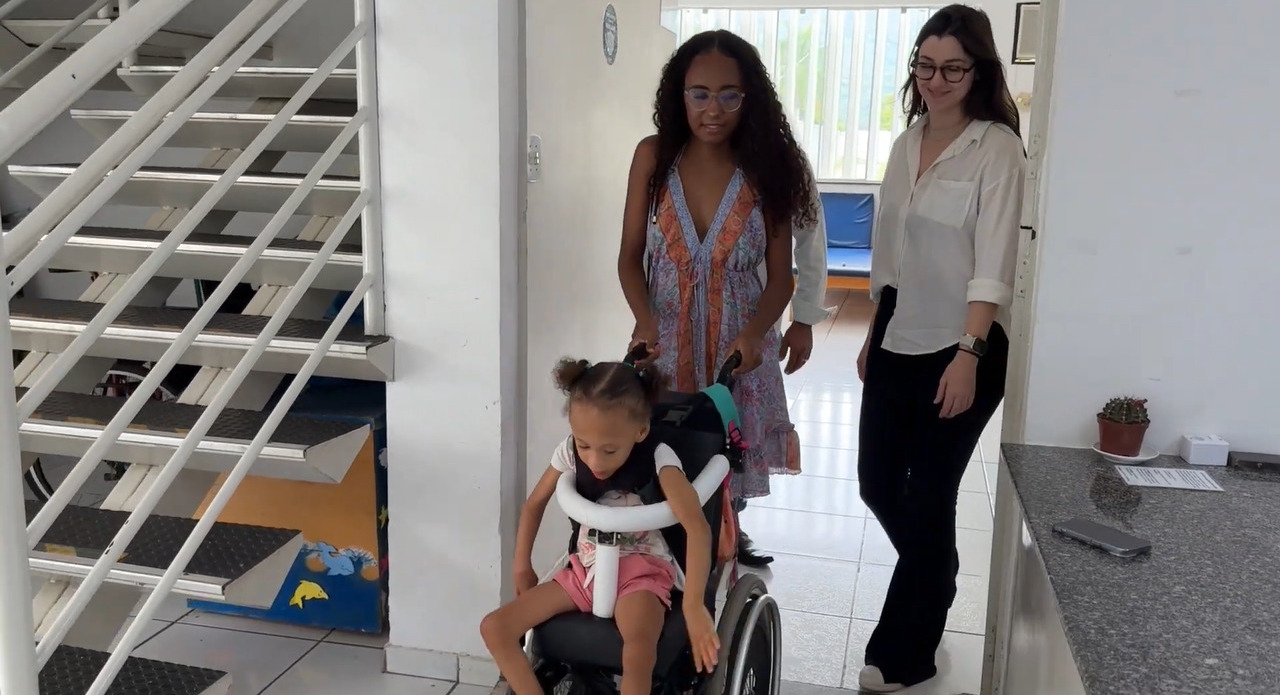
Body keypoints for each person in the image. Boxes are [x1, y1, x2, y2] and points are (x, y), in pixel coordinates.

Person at [853, 5, 1025, 692]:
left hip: (965, 342)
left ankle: (906, 650)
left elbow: (995, 259)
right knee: (876, 483)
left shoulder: (997, 149)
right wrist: (874, 332)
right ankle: (939, 572)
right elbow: (890, 256)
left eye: (953, 68)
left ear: (978, 71)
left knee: (929, 493)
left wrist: (969, 354)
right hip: (898, 329)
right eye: (925, 65)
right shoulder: (907, 142)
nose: (936, 80)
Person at [617, 30, 818, 570]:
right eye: (699, 94)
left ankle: (729, 531)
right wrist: (644, 320)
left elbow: (781, 278)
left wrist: (753, 335)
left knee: (729, 450)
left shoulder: (768, 164)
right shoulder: (653, 157)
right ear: (679, 95)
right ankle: (670, 545)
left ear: (749, 98)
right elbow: (629, 258)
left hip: (740, 344)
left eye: (730, 95)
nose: (713, 110)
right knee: (665, 445)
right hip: (666, 340)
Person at [479, 359, 720, 695]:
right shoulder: (568, 452)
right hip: (585, 570)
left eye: (609, 450)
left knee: (637, 653)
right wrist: (522, 567)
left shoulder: (659, 458)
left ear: (640, 431)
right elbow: (533, 505)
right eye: (584, 445)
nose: (594, 461)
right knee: (495, 628)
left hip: (642, 573)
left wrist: (693, 606)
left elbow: (697, 527)